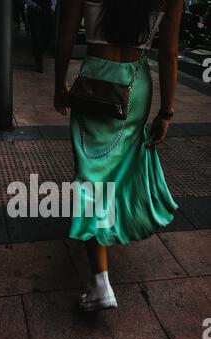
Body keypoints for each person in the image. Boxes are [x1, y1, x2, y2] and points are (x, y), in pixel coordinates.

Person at [54, 0, 183, 311]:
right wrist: (166, 112)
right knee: (117, 168)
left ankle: (100, 281)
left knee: (91, 174)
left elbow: (66, 37)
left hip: (95, 83)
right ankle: (112, 230)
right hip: (134, 86)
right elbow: (168, 55)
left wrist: (59, 85)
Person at [27, 0, 53, 72]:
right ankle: (39, 63)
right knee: (37, 36)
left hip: (47, 10)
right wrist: (35, 6)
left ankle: (38, 52)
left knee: (48, 36)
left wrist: (52, 7)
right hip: (35, 11)